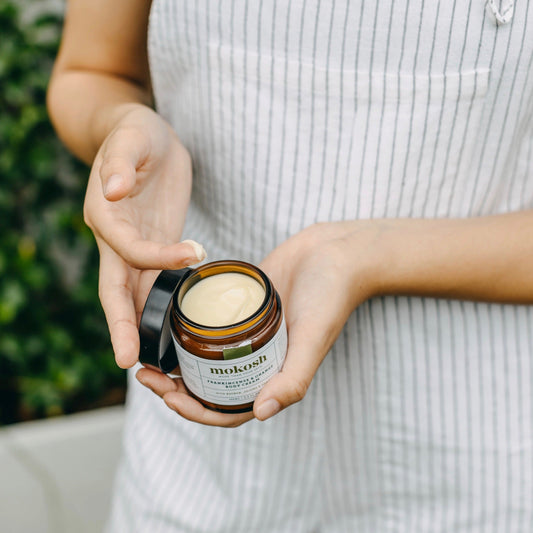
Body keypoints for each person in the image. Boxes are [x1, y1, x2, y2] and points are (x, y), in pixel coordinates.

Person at [48, 1, 533, 531]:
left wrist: (369, 253)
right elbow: (90, 71)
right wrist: (122, 126)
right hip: (199, 472)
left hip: (470, 444)